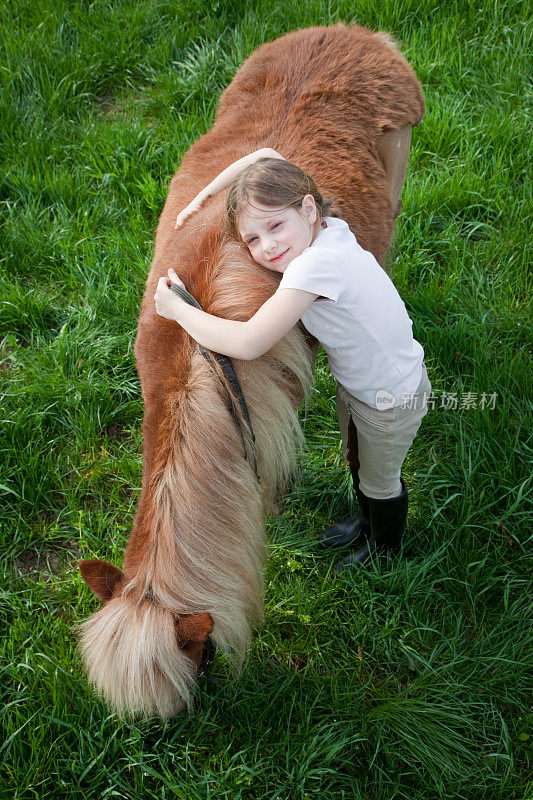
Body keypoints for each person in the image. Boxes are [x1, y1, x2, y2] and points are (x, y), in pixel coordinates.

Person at [154, 150, 431, 570]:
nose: (267, 247)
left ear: (306, 208)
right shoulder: (327, 228)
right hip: (363, 383)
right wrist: (203, 196)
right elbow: (266, 155)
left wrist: (178, 312)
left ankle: (383, 548)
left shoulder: (315, 268)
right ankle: (364, 521)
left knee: (380, 478)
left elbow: (249, 343)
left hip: (390, 397)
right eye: (252, 239)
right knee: (357, 457)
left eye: (275, 226)